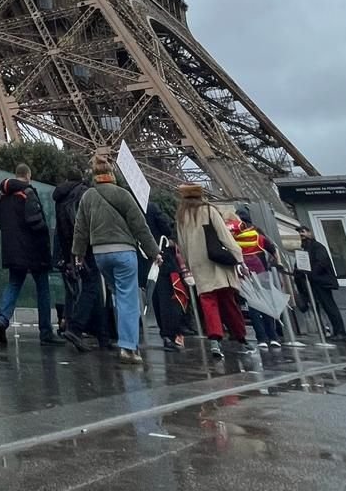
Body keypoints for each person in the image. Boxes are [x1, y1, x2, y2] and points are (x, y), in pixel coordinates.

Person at [70, 153, 158, 365]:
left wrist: (79, 255)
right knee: (128, 298)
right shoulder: (123, 195)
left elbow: (80, 229)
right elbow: (140, 227)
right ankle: (128, 348)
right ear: (112, 174)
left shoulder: (88, 196)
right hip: (123, 252)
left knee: (120, 296)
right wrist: (155, 252)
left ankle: (124, 338)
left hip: (100, 254)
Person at [173, 184, 248, 361]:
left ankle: (214, 339)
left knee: (208, 301)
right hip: (217, 262)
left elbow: (181, 245)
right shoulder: (208, 210)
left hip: (199, 264)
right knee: (228, 300)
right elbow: (225, 236)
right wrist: (238, 257)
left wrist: (188, 264)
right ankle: (241, 336)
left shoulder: (181, 216)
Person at [0, 164, 62, 348]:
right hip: (33, 249)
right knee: (43, 289)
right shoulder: (28, 192)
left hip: (12, 249)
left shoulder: (3, 195)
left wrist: (11, 233)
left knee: (14, 284)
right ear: (28, 175)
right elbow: (36, 222)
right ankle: (46, 332)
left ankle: (2, 319)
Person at [56, 171, 111, 354]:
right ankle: (76, 328)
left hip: (73, 249)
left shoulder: (61, 197)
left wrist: (69, 256)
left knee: (93, 287)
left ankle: (103, 336)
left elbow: (62, 229)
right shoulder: (84, 193)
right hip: (88, 246)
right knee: (93, 286)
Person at [231, 209, 281, 350]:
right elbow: (273, 251)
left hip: (245, 275)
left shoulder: (235, 237)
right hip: (262, 274)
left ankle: (261, 338)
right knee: (266, 306)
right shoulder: (259, 236)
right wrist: (275, 263)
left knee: (253, 307)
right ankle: (273, 337)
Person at [297, 224, 346, 342]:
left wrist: (311, 274)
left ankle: (340, 332)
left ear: (310, 233)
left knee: (329, 307)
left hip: (321, 282)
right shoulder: (306, 249)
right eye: (300, 233)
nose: (301, 234)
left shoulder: (317, 247)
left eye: (303, 232)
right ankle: (330, 331)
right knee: (322, 307)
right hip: (313, 282)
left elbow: (322, 262)